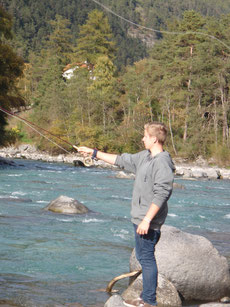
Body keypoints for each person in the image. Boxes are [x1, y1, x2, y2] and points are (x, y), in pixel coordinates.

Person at [77, 122, 175, 307]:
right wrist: (94, 153)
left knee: (146, 258)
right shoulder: (145, 156)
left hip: (147, 221)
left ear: (154, 139)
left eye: (145, 136)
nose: (142, 138)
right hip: (139, 218)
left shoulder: (162, 162)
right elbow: (121, 160)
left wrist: (147, 220)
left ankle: (148, 302)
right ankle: (146, 298)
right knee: (143, 257)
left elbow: (163, 193)